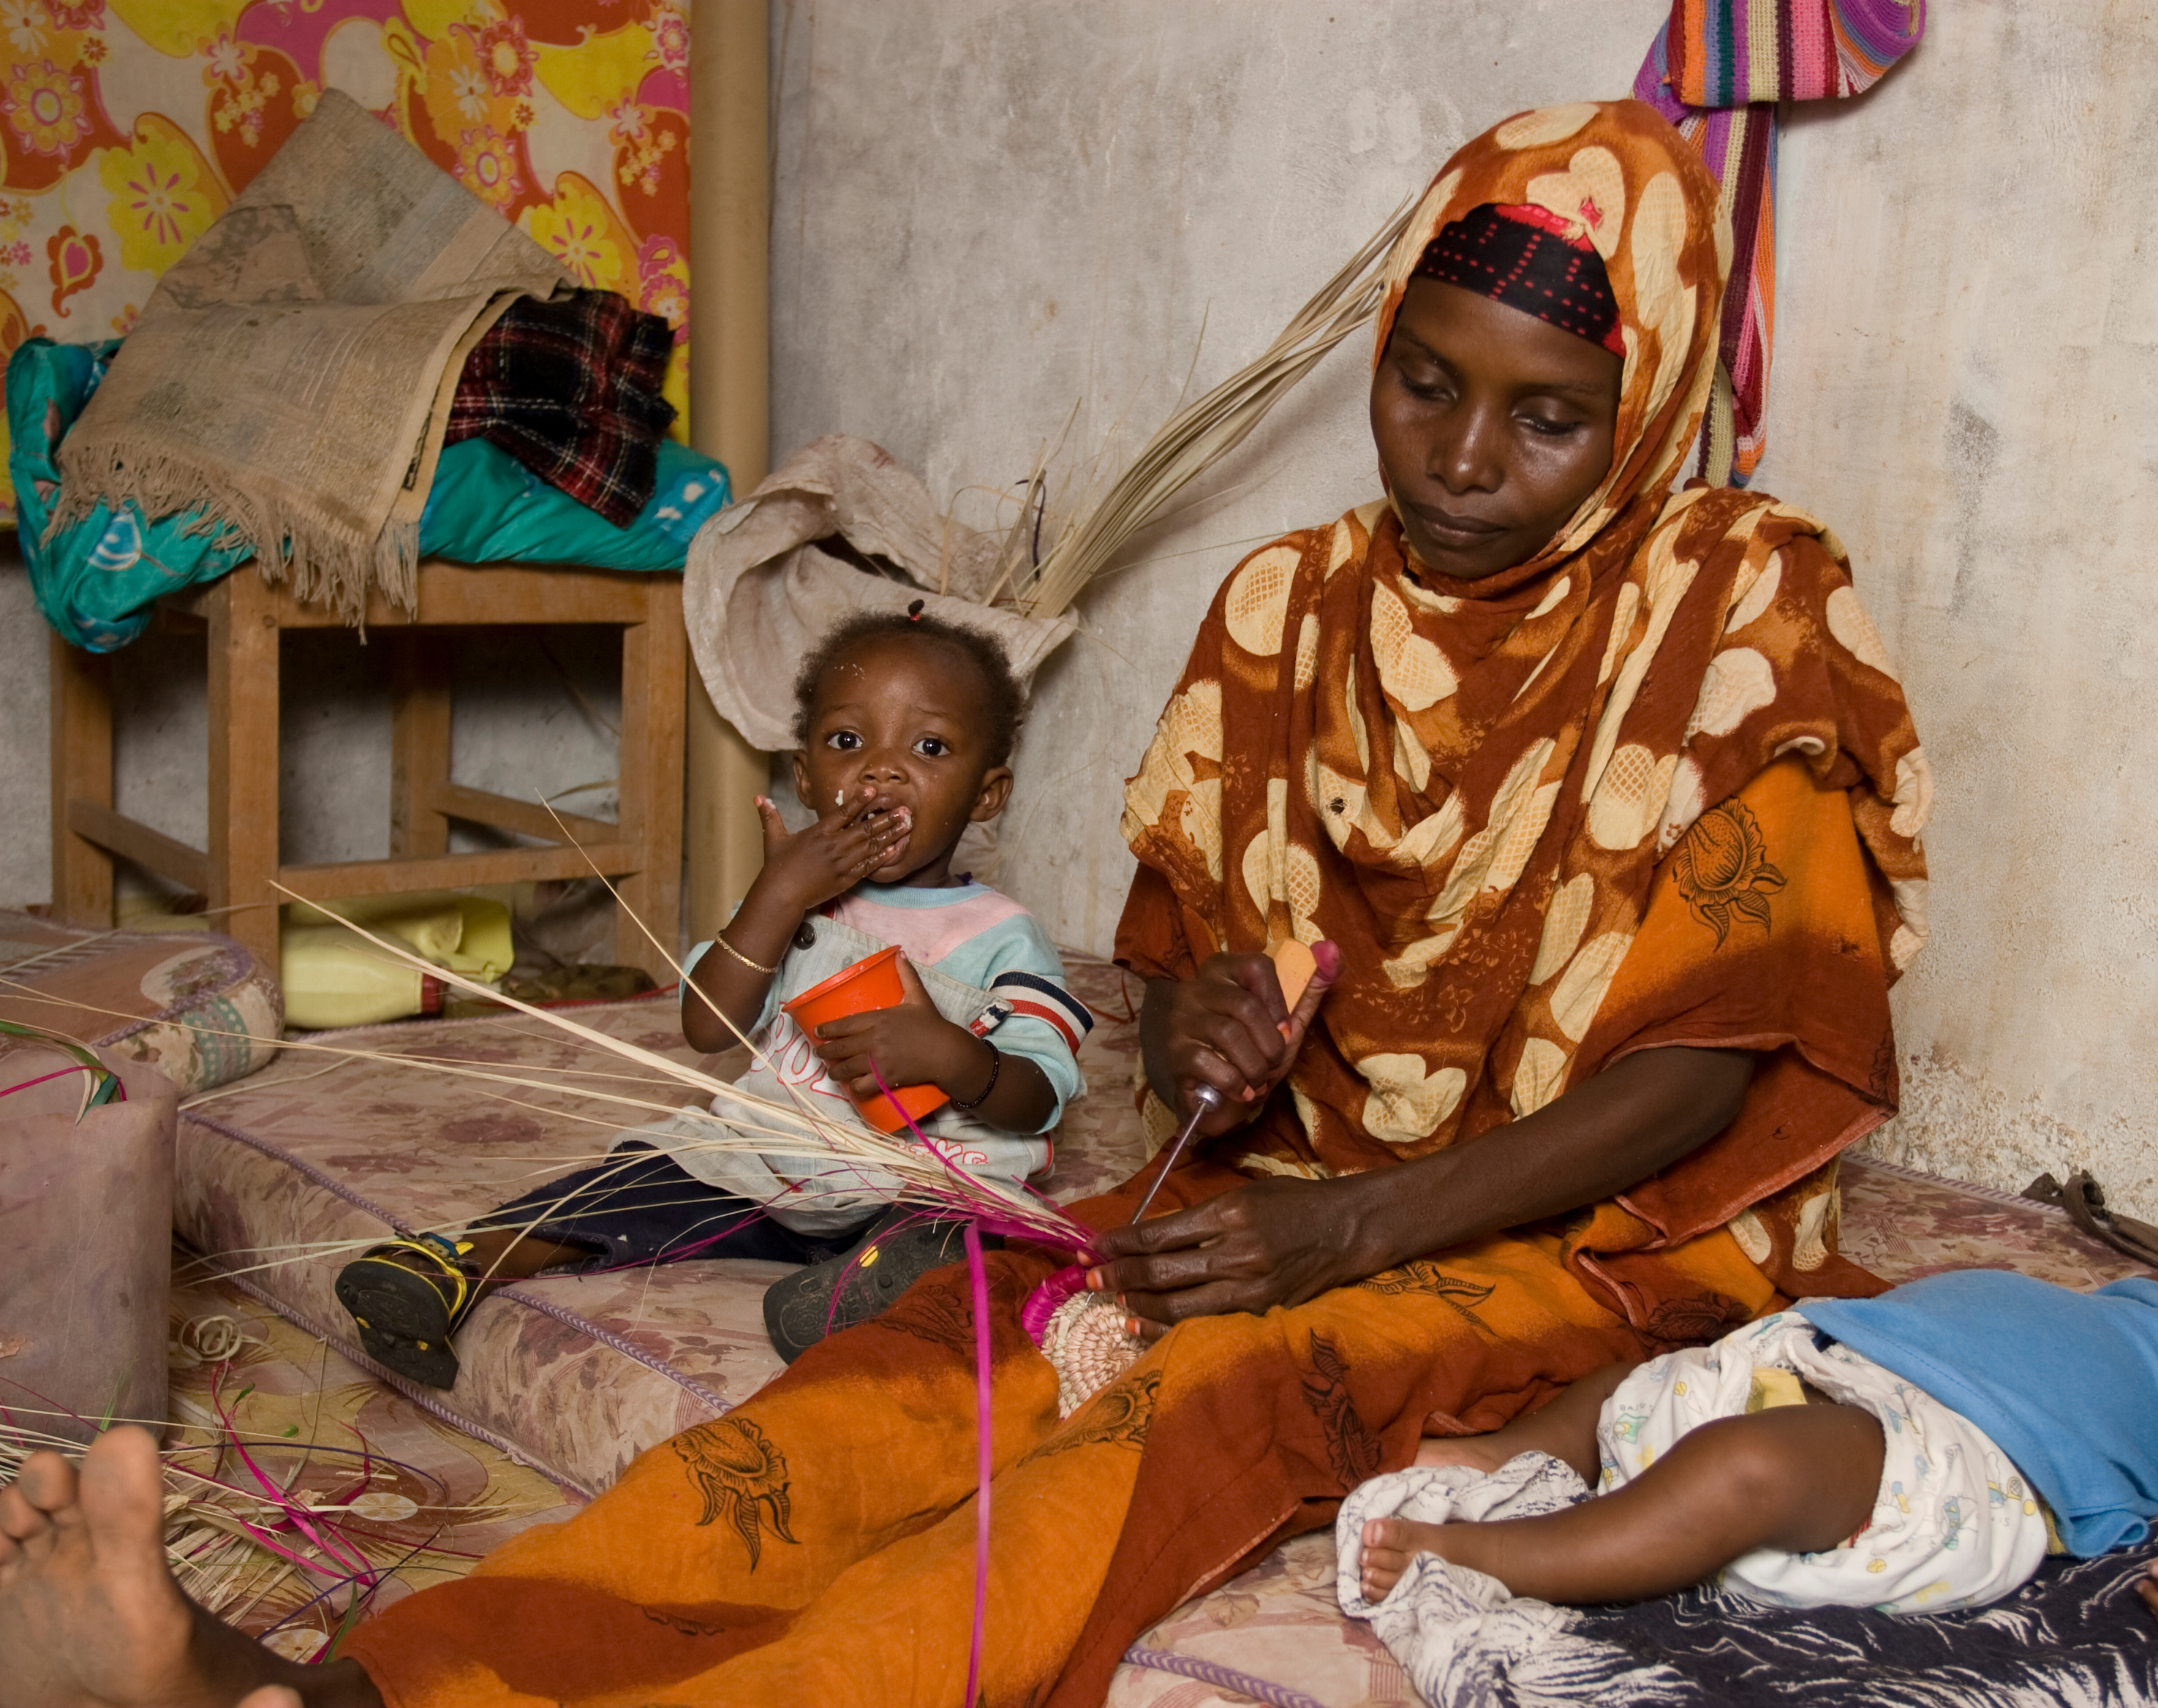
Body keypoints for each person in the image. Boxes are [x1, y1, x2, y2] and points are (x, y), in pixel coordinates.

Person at [0, 99, 1932, 1708]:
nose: (1460, 458)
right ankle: (341, 1691)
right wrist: (1213, 1040)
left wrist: (1355, 1229)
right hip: (1292, 1196)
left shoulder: (1743, 611)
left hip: (1599, 1250)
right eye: (1424, 384)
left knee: (1189, 1421)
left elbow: (1716, 1058)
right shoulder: (1295, 603)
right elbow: (1172, 987)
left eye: (1545, 416)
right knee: (913, 1376)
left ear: (1649, 402)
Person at [331, 607, 1094, 1385]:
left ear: (988, 792)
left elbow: (1037, 1098)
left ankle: (856, 1295)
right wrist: (778, 892)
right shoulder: (796, 902)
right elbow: (707, 1025)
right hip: (768, 1172)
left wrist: (953, 1056)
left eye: (928, 747)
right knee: (649, 1173)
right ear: (803, 778)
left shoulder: (1004, 936)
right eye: (846, 742)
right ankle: (461, 1259)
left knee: (974, 1234)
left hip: (919, 1183)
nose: (881, 771)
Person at [1351, 1255, 2158, 1630]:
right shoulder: (2121, 1312)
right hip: (1832, 1362)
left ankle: (1508, 1555)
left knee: (1758, 1469)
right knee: (1632, 1383)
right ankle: (1514, 1455)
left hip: (1957, 1464)